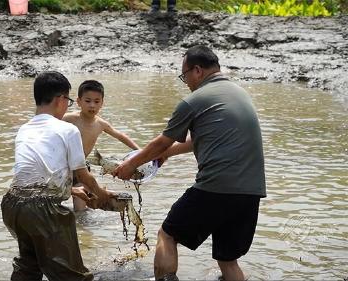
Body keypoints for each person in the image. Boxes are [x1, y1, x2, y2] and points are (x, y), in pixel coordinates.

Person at [113, 45, 266, 281]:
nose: (185, 82)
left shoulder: (194, 100)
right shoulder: (239, 93)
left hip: (216, 187)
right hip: (251, 192)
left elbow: (162, 141)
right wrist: (167, 155)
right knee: (227, 260)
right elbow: (201, 139)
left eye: (184, 76)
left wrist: (131, 164)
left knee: (167, 235)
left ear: (197, 71)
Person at [1, 71, 114, 281]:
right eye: (70, 101)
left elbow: (32, 174)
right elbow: (84, 174)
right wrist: (102, 195)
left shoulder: (24, 129)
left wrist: (70, 189)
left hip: (12, 205)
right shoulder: (67, 129)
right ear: (61, 99)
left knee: (29, 267)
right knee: (72, 275)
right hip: (41, 210)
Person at [63, 79, 140, 211]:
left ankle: (82, 225)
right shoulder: (69, 119)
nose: (92, 105)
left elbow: (120, 135)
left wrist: (140, 151)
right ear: (78, 102)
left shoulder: (101, 124)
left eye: (96, 101)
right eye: (87, 101)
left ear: (102, 103)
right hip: (64, 167)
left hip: (82, 169)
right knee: (55, 197)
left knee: (80, 210)